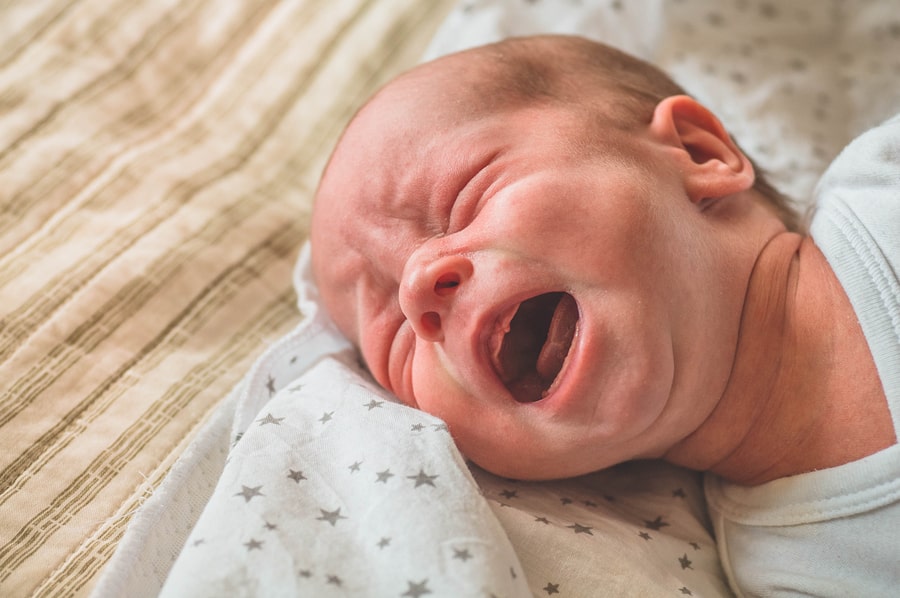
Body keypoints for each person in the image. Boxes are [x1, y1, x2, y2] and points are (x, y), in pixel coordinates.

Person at [310, 35, 900, 595]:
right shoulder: (792, 571)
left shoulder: (885, 184)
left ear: (698, 153)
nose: (418, 294)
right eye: (397, 343)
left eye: (464, 198)